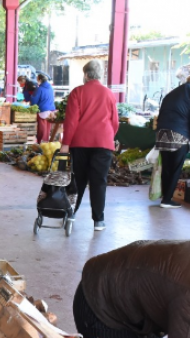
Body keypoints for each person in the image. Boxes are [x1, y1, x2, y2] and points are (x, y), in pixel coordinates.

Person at [60, 60, 119, 232]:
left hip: (81, 143)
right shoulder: (109, 94)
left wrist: (66, 144)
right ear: (100, 74)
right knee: (99, 181)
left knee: (78, 179)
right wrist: (108, 136)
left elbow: (71, 121)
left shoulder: (78, 92)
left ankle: (71, 213)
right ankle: (99, 221)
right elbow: (114, 122)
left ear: (85, 74)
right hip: (103, 143)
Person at [155, 73, 190, 209]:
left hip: (162, 134)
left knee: (166, 167)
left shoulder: (172, 93)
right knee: (175, 168)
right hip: (179, 135)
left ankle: (165, 196)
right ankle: (167, 199)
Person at [29, 72, 56, 143]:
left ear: (40, 80)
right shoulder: (50, 87)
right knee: (47, 131)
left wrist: (31, 103)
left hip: (43, 111)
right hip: (51, 111)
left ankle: (41, 146)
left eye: (37, 79)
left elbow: (34, 100)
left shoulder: (39, 89)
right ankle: (46, 144)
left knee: (42, 131)